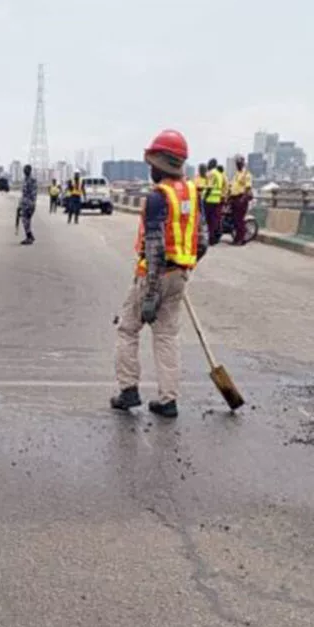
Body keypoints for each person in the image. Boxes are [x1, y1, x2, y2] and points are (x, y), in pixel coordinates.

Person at [110, 129, 206, 419]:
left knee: (127, 329)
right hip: (179, 274)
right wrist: (184, 266)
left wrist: (151, 292)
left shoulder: (157, 198)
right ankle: (168, 400)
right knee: (166, 336)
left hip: (154, 275)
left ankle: (129, 391)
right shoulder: (192, 193)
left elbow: (153, 249)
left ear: (161, 164)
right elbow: (202, 240)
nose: (150, 169)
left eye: (152, 164)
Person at [226, 155, 254, 245]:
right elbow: (232, 187)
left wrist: (242, 199)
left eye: (239, 163)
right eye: (236, 163)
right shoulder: (236, 174)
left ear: (243, 163)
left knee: (239, 220)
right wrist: (228, 197)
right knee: (234, 220)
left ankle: (241, 240)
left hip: (241, 199)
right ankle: (236, 239)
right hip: (234, 199)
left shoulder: (247, 174)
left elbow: (248, 188)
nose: (238, 164)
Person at [204, 158, 226, 245]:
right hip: (217, 200)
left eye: (209, 164)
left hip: (210, 200)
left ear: (211, 164)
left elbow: (209, 187)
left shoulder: (212, 173)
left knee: (208, 221)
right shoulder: (219, 174)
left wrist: (204, 198)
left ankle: (209, 239)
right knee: (214, 221)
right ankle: (213, 239)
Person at [18, 165, 37, 246]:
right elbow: (23, 194)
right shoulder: (24, 180)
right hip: (24, 203)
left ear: (29, 170)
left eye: (26, 170)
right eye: (24, 170)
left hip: (29, 204)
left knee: (26, 221)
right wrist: (20, 204)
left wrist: (32, 204)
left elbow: (33, 194)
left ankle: (29, 237)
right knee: (25, 220)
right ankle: (30, 236)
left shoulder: (32, 180)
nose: (24, 171)